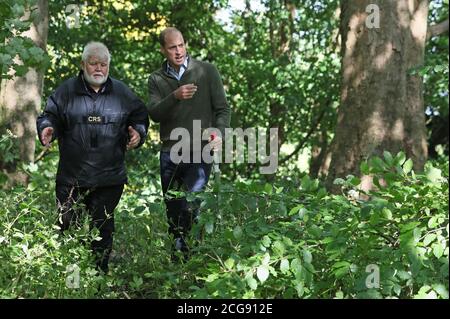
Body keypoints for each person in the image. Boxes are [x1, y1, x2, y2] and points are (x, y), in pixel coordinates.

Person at [36, 41, 149, 273]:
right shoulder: (65, 92)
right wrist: (47, 128)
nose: (99, 68)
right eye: (93, 63)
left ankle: (98, 279)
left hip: (109, 179)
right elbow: (49, 116)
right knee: (68, 229)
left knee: (103, 230)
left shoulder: (122, 93)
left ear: (109, 66)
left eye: (103, 64)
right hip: (72, 179)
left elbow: (140, 116)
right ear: (83, 64)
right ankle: (72, 282)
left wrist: (138, 132)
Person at [147, 27, 231, 258]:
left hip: (200, 150)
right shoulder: (156, 79)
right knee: (173, 209)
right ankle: (177, 261)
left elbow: (222, 109)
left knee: (192, 206)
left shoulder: (206, 71)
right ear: (163, 49)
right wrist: (174, 97)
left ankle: (194, 258)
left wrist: (219, 132)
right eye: (172, 47)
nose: (178, 51)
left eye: (181, 45)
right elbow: (154, 113)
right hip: (170, 152)